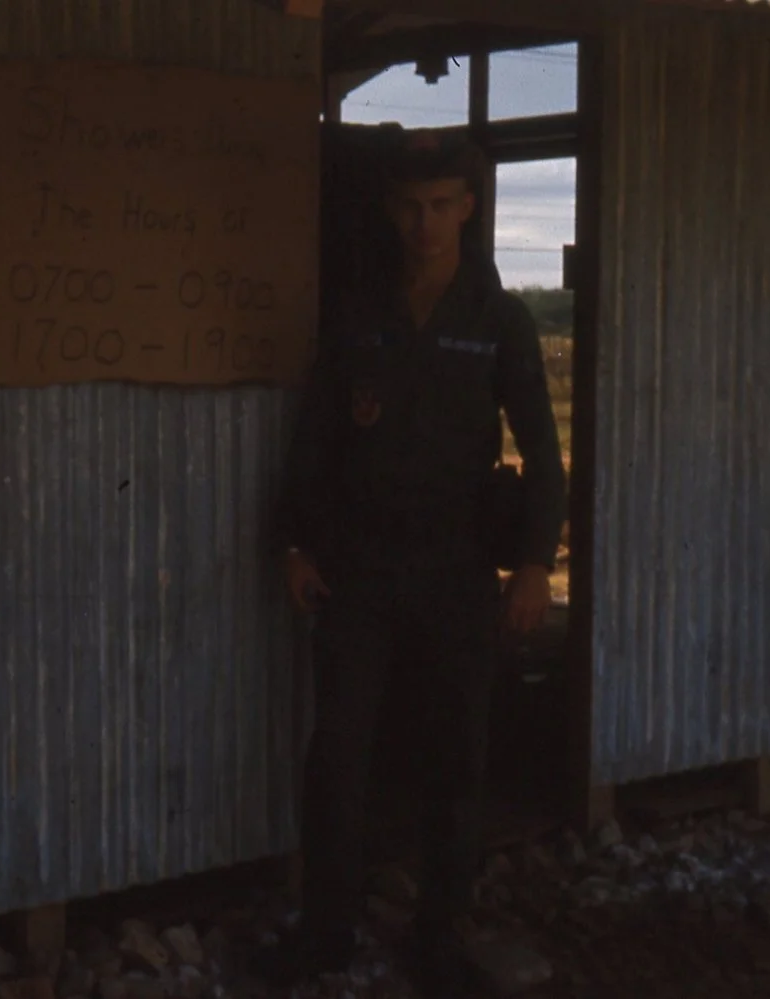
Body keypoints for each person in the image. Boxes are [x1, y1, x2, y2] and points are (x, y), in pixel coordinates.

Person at [258, 129, 567, 995]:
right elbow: (313, 442)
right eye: (409, 207)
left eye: (440, 205)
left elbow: (542, 454)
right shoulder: (358, 312)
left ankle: (438, 935)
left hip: (457, 573)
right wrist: (292, 543)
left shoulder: (497, 318)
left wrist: (537, 564)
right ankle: (327, 931)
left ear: (467, 209)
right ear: (391, 211)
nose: (424, 223)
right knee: (339, 757)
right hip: (358, 572)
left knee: (455, 758)